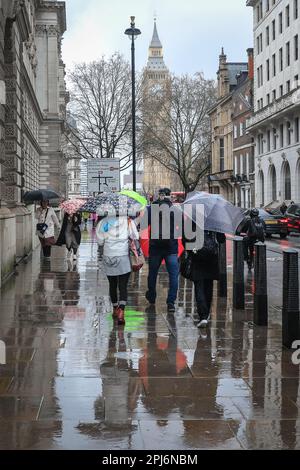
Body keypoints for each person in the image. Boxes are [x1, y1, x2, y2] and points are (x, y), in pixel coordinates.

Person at [96, 212, 139, 325]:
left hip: (109, 256)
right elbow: (135, 236)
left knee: (113, 284)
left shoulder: (104, 223)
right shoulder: (128, 221)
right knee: (123, 285)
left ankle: (115, 308)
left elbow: (100, 242)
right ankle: (122, 311)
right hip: (123, 256)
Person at [182, 228, 226, 328]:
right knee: (208, 287)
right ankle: (206, 314)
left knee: (199, 286)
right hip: (211, 259)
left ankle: (203, 316)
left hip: (197, 259)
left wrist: (193, 251)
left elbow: (185, 240)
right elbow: (221, 239)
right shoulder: (215, 223)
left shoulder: (193, 220)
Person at [146, 187, 179, 313]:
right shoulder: (174, 209)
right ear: (169, 196)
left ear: (159, 195)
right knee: (173, 276)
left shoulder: (151, 209)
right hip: (171, 247)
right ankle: (171, 302)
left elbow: (144, 224)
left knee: (153, 273)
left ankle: (152, 297)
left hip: (155, 247)